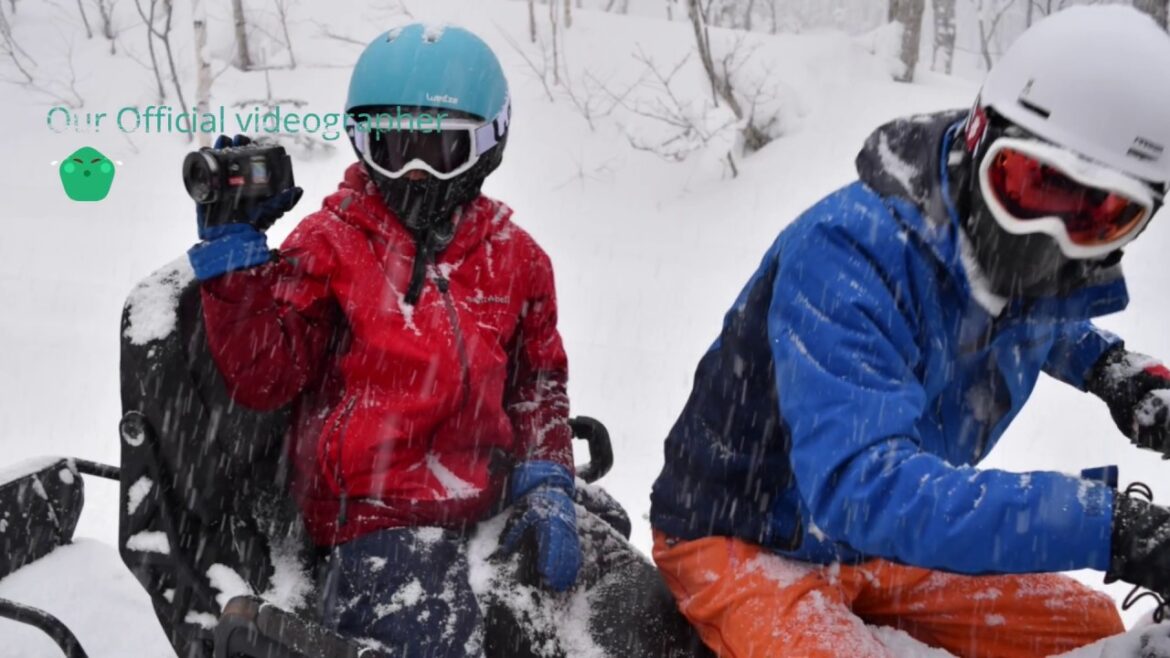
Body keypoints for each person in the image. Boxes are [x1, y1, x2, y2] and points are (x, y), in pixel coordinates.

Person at [648, 6, 1170, 657]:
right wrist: (1106, 525)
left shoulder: (1000, 246)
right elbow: (861, 484)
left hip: (873, 545)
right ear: (980, 137)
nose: (1052, 240)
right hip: (744, 533)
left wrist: (1113, 370)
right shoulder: (846, 253)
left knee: (1088, 629)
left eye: (1102, 215)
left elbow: (1027, 310)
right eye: (1034, 185)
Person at [186, 24, 580, 655]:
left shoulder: (516, 259)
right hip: (372, 511)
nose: (414, 173)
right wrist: (234, 261)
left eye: (439, 149)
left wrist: (547, 473)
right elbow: (265, 376)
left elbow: (537, 382)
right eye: (391, 147)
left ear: (488, 145)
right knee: (437, 636)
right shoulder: (332, 244)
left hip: (490, 493)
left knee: (604, 606)